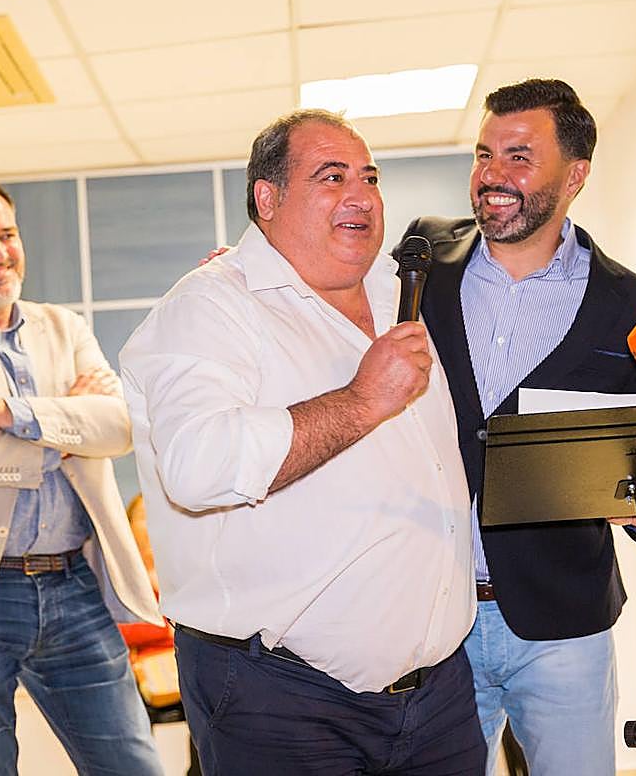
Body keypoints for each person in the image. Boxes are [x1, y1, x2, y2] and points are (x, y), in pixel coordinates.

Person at [120, 110, 484, 776]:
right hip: (281, 699)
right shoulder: (208, 308)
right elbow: (199, 466)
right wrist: (360, 401)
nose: (361, 196)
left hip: (438, 696)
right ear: (268, 198)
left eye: (369, 177)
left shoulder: (401, 290)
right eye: (332, 177)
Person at [399, 79, 636, 775]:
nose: (492, 174)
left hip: (564, 623)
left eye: (519, 157)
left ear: (575, 176)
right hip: (432, 619)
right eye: (484, 154)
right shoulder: (422, 257)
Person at [0, 177, 163, 776]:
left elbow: (119, 427)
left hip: (76, 585)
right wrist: (65, 427)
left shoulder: (64, 327)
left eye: (7, 234)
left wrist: (9, 414)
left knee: (133, 767)